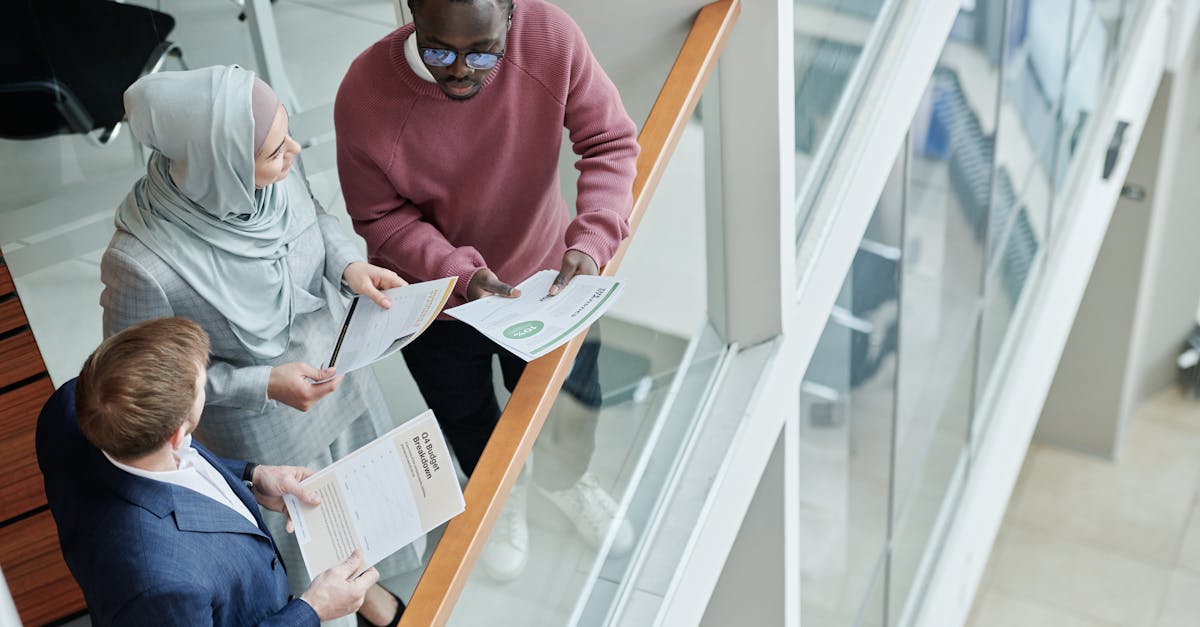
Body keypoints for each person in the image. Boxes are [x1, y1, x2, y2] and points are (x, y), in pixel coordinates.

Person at [335, 0, 638, 579]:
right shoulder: (365, 93)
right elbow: (380, 220)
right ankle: (505, 496)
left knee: (573, 406)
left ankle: (568, 480)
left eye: (484, 53)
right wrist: (458, 270)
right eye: (438, 50)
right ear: (412, 16)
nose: (460, 71)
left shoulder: (550, 37)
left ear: (510, 18)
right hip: (436, 307)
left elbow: (609, 142)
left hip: (551, 284)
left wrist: (594, 236)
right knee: (470, 418)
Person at [99, 66, 406, 625]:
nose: (293, 150)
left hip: (343, 375)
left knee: (367, 508)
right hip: (270, 431)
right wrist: (262, 382)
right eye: (271, 151)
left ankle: (374, 594)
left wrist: (349, 265)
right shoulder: (142, 264)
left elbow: (315, 217)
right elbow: (137, 388)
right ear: (220, 166)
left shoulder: (278, 168)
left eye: (286, 135)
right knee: (311, 538)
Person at [36, 317, 378, 626]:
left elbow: (169, 461)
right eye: (202, 388)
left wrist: (251, 476)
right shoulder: (160, 585)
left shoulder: (73, 403)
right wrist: (312, 610)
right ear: (177, 433)